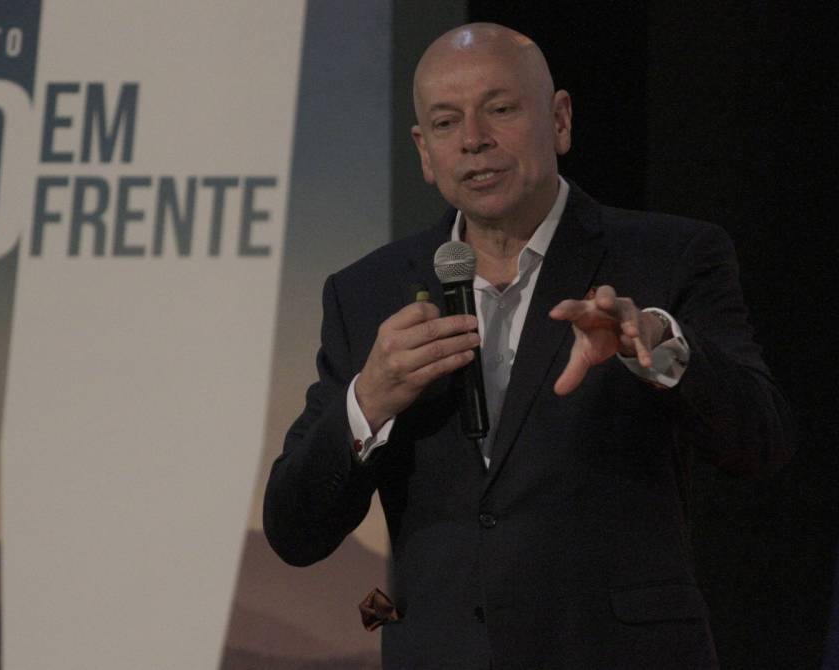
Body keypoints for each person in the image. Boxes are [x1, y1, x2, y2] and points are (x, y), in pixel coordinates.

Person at [263, 23, 792, 669]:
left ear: (559, 120)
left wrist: (659, 346)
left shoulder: (670, 257)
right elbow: (295, 531)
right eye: (446, 122)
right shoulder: (367, 292)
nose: (474, 138)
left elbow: (761, 443)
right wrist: (368, 402)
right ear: (425, 151)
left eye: (501, 109)